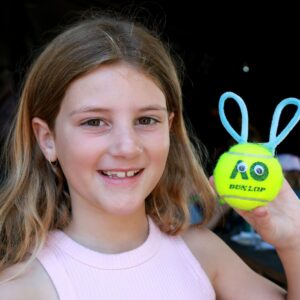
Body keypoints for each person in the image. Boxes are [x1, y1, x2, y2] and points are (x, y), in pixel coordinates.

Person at [0, 12, 300, 300]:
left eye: (146, 120)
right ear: (48, 139)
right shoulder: (20, 289)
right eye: (94, 122)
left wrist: (294, 241)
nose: (127, 147)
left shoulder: (201, 253)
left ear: (169, 129)